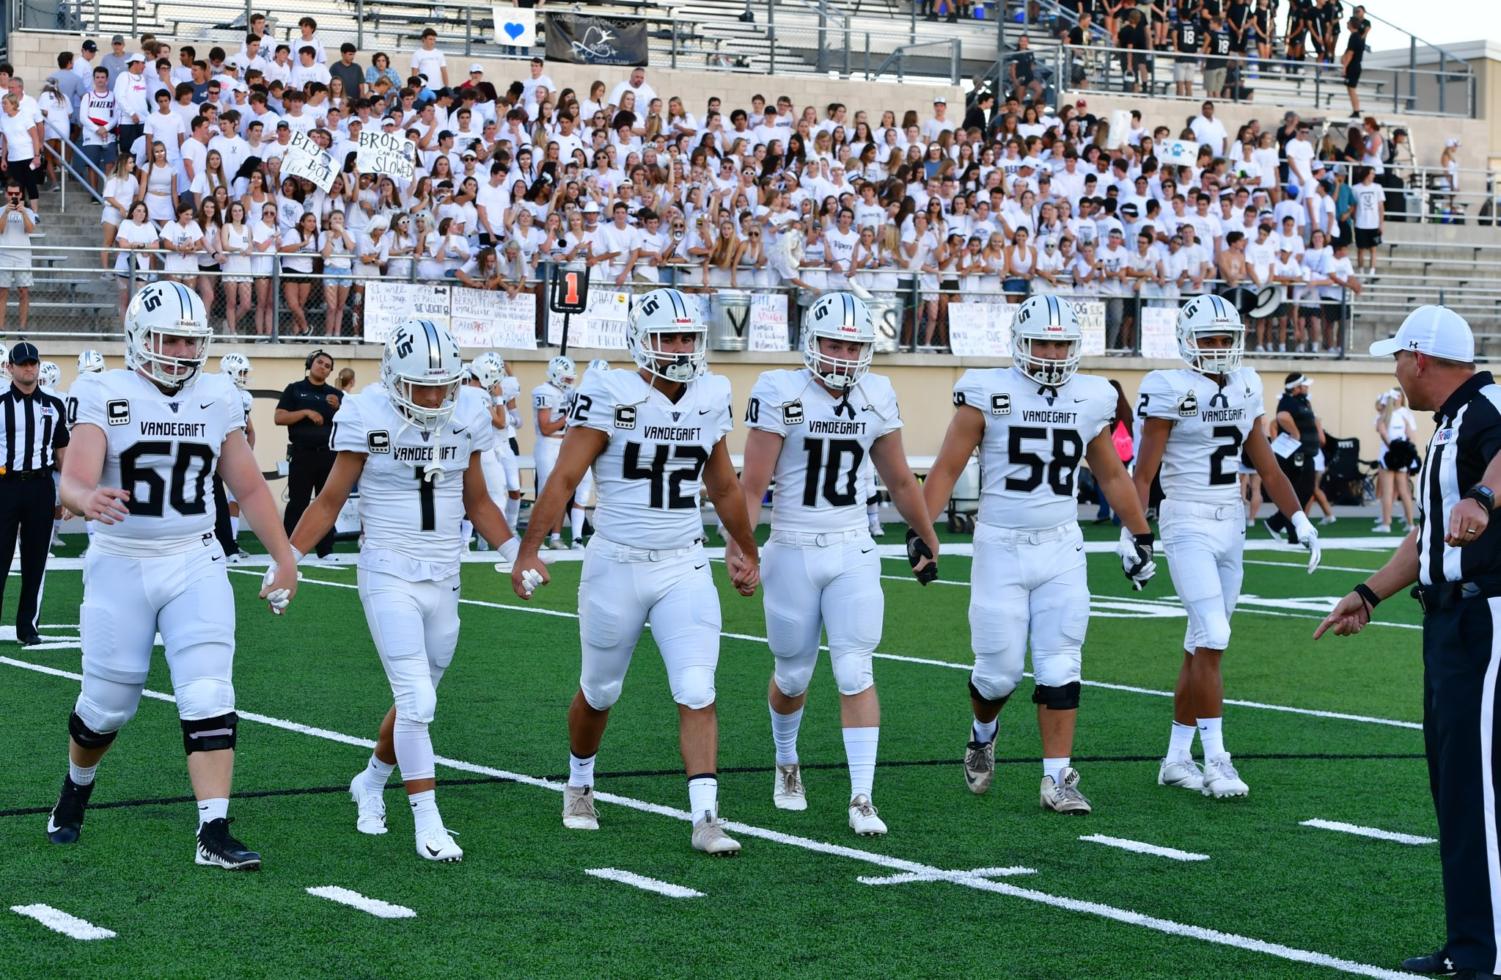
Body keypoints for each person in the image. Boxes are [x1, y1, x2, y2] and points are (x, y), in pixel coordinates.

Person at [45, 281, 298, 867]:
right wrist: (86, 498)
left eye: (192, 340)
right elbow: (74, 475)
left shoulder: (215, 395)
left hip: (195, 558)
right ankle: (76, 789)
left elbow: (249, 484)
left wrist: (284, 554)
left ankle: (213, 829)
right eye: (172, 338)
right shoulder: (102, 391)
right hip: (120, 564)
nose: (184, 351)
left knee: (209, 689)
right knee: (108, 705)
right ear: (139, 337)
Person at [510, 287, 761, 856]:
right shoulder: (608, 391)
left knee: (697, 687)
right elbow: (566, 479)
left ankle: (706, 817)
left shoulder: (710, 394)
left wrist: (746, 548)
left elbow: (721, 485)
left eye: (687, 337)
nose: (679, 348)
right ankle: (578, 781)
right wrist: (529, 548)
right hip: (616, 560)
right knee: (600, 690)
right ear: (640, 340)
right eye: (667, 337)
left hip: (683, 562)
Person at [280, 319, 518, 862]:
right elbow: (329, 501)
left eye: (442, 384)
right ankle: (428, 823)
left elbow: (479, 502)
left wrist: (516, 554)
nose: (435, 396)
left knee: (416, 703)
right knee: (418, 699)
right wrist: (288, 560)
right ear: (392, 379)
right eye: (421, 385)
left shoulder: (469, 414)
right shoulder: (367, 413)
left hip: (445, 575)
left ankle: (370, 780)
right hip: (388, 572)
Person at [1314, 305, 1501, 980]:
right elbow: (1424, 537)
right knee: (1454, 787)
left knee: (1475, 788)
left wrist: (1480, 495)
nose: (1393, 369)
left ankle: (1485, 955)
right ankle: (1468, 944)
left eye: (1398, 357)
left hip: (1483, 620)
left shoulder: (1484, 409)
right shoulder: (1451, 425)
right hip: (1447, 620)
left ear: (1419, 358)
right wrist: (1367, 594)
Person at [921, 295, 1159, 815]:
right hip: (1000, 545)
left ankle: (1057, 777)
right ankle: (983, 733)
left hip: (1061, 544)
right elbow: (944, 468)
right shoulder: (988, 391)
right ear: (1019, 343)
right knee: (998, 672)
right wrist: (924, 532)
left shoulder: (1091, 396)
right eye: (1042, 342)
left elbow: (1111, 473)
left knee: (1060, 661)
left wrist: (1140, 532)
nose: (1052, 354)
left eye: (1061, 344)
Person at [732, 293, 940, 835]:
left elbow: (898, 479)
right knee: (793, 673)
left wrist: (926, 535)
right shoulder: (780, 390)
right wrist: (741, 545)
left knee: (854, 668)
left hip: (852, 545)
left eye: (854, 346)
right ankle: (786, 760)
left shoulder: (877, 392)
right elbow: (752, 485)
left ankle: (862, 797)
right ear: (811, 341)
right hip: (794, 545)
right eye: (835, 344)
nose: (845, 356)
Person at [1132, 297, 1321, 799]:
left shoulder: (1246, 384)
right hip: (1186, 518)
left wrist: (1298, 516)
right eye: (1208, 340)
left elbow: (1266, 463)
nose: (1217, 350)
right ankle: (1217, 760)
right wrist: (1134, 533)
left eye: (1224, 340)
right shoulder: (1167, 387)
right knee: (1213, 634)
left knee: (1201, 643)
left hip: (1231, 520)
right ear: (1187, 341)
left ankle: (1175, 759)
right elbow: (1144, 473)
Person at [0, 341, 68, 646]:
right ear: (9, 368)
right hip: (5, 485)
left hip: (41, 486)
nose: (29, 368)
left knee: (36, 558)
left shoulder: (54, 405)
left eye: (33, 363)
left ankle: (27, 627)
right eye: (23, 363)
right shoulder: (0, 403)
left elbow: (63, 452)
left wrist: (67, 490)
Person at [275, 349, 342, 559]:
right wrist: (305, 412)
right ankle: (288, 549)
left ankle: (326, 550)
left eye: (327, 366)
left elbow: (351, 423)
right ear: (311, 364)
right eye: (320, 362)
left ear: (330, 372)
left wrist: (340, 407)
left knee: (327, 503)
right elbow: (279, 417)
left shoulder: (335, 395)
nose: (322, 367)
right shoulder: (295, 390)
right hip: (302, 455)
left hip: (328, 455)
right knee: (298, 503)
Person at [1264, 373, 1323, 543]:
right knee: (1301, 491)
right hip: (1297, 454)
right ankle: (1281, 525)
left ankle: (1284, 527)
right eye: (1304, 385)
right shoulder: (1288, 401)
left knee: (1305, 491)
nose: (1307, 387)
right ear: (1296, 387)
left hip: (1307, 453)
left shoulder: (1303, 401)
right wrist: (1295, 432)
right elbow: (1282, 417)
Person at [211, 353, 255, 562]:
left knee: (236, 498)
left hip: (234, 452)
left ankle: (231, 544)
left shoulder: (244, 397)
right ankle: (223, 545)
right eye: (242, 372)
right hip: (217, 452)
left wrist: (248, 453)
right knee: (216, 500)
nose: (245, 376)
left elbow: (249, 428)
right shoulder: (216, 390)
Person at [530, 355, 575, 550]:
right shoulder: (544, 392)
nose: (569, 382)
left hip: (564, 444)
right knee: (545, 493)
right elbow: (546, 428)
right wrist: (568, 417)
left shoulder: (569, 392)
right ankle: (536, 539)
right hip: (548, 444)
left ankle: (555, 536)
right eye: (566, 378)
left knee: (562, 491)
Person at [1374, 386, 1417, 534]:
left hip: (1390, 457)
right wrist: (1404, 453)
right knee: (1403, 491)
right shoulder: (1396, 416)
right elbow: (1410, 437)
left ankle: (1387, 524)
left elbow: (1385, 436)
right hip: (1399, 457)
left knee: (1391, 491)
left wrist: (1395, 450)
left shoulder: (1386, 416)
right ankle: (1409, 523)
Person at [0, 180, 37, 333]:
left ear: (21, 194)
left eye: (16, 194)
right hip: (4, 255)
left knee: (24, 291)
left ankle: (22, 328)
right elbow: (0, 230)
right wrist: (7, 212)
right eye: (10, 194)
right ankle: (0, 328)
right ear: (6, 194)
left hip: (23, 256)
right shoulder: (1, 210)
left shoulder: (28, 211)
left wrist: (22, 212)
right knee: (2, 292)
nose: (13, 196)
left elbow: (29, 229)